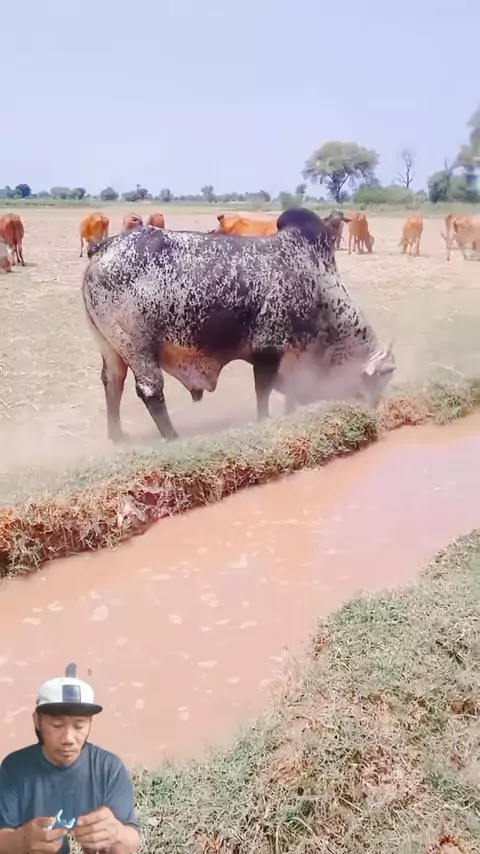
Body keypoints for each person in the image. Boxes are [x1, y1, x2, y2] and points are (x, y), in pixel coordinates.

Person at [0, 663, 141, 854]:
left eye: (79, 726)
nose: (68, 738)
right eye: (57, 725)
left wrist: (116, 833)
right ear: (37, 721)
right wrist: (21, 840)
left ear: (90, 723)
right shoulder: (14, 769)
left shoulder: (109, 768)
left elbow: (132, 841)